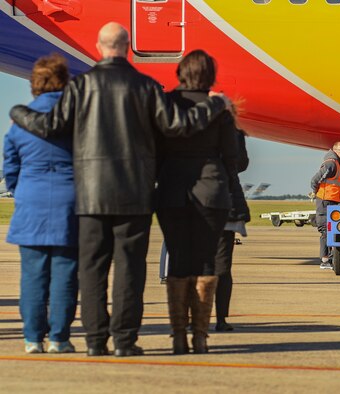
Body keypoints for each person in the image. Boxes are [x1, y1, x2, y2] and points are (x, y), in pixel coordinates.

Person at [9, 22, 231, 357]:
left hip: (91, 195)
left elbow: (49, 125)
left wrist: (17, 111)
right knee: (130, 269)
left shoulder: (81, 86)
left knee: (92, 269)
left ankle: (96, 340)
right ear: (127, 47)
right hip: (134, 193)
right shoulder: (146, 86)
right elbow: (178, 125)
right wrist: (216, 104)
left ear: (99, 46)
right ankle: (125, 341)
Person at [156, 50, 240, 354]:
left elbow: (156, 149)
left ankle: (179, 335)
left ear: (180, 72)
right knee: (207, 261)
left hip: (172, 189)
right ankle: (201, 336)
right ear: (209, 75)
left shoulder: (166, 104)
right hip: (211, 189)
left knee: (178, 260)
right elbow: (233, 157)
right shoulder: (219, 107)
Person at [4, 54, 78, 354]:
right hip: (68, 202)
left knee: (32, 277)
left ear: (34, 83)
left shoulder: (19, 122)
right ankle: (59, 337)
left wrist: (20, 191)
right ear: (64, 81)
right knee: (65, 275)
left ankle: (33, 337)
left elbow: (10, 167)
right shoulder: (76, 118)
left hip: (31, 202)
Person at [214, 125, 251, 332]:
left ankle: (191, 321)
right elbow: (242, 164)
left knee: (190, 266)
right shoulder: (233, 132)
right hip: (224, 201)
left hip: (190, 201)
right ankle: (221, 319)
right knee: (223, 266)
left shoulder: (185, 123)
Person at [311, 141, 340, 270]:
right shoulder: (331, 163)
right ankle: (325, 260)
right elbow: (315, 180)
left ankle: (330, 258)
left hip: (333, 202)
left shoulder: (338, 164)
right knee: (326, 230)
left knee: (333, 230)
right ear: (334, 150)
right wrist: (317, 193)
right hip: (325, 202)